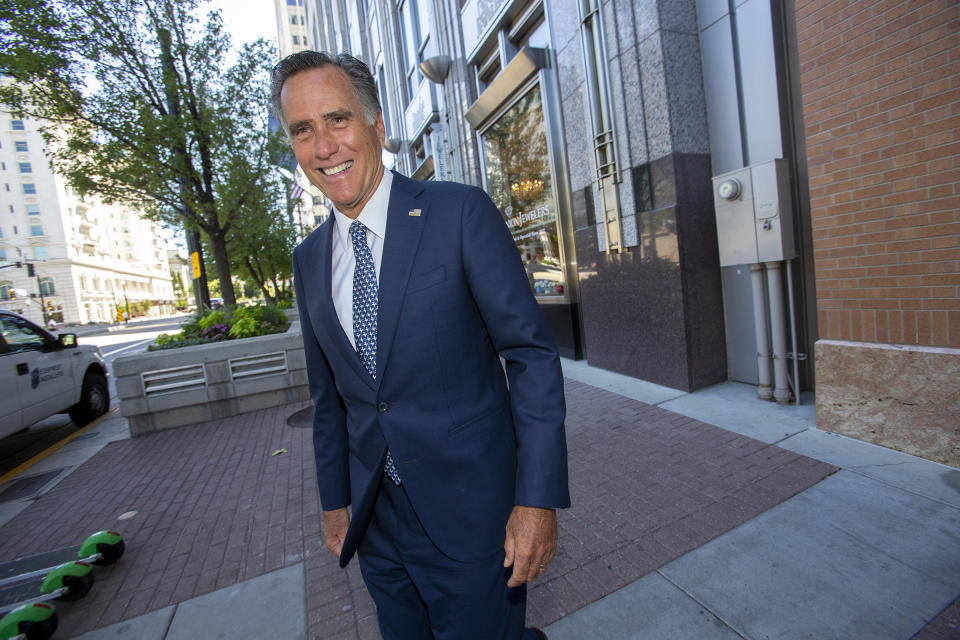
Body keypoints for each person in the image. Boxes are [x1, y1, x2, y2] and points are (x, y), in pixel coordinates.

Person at [273, 51, 569, 640]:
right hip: (376, 527)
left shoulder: (459, 213)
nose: (324, 146)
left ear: (377, 126)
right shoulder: (307, 260)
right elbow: (328, 398)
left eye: (337, 119)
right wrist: (335, 501)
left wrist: (537, 501)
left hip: (474, 519)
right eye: (303, 130)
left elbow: (530, 357)